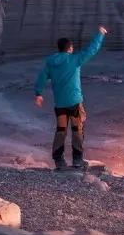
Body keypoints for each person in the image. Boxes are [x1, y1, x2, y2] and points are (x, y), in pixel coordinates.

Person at [34, 25, 107, 170]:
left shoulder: (50, 63)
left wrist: (38, 94)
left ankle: (58, 160)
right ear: (69, 48)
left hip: (60, 104)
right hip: (74, 102)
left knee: (61, 130)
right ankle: (77, 160)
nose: (73, 49)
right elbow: (91, 50)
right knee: (77, 130)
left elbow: (41, 77)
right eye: (72, 47)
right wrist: (100, 34)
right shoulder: (75, 60)